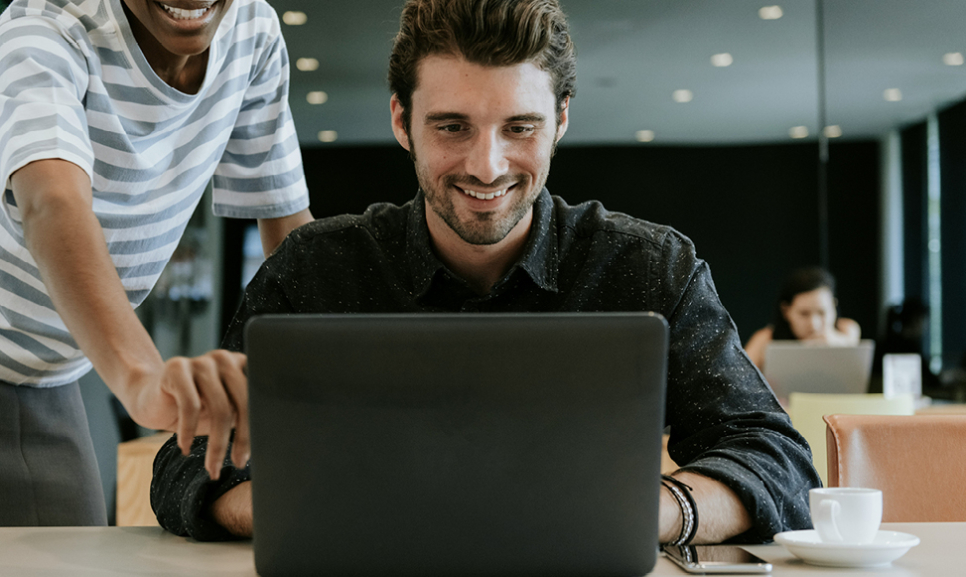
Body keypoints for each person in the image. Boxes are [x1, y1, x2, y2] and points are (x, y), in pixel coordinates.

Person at [151, 0, 820, 545]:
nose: (488, 166)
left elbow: (778, 462)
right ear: (401, 121)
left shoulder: (649, 267)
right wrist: (306, 515)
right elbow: (184, 466)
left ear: (559, 120)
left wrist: (656, 513)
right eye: (452, 127)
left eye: (520, 128)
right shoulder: (318, 267)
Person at [0, 0, 313, 526]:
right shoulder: (45, 26)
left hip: (48, 376)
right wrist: (143, 378)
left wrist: (342, 387)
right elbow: (52, 202)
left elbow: (287, 230)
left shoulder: (252, 32)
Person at [744, 267, 861, 370]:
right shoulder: (765, 339)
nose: (814, 324)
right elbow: (740, 379)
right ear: (786, 311)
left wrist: (838, 343)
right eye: (804, 314)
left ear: (833, 307)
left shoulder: (847, 329)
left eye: (822, 312)